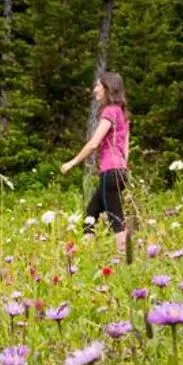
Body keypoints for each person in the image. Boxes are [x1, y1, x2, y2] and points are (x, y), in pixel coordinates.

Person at [60, 71, 131, 258]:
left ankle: (123, 261)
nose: (95, 90)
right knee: (91, 214)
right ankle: (82, 257)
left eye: (98, 86)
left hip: (110, 171)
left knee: (117, 219)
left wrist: (72, 162)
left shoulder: (110, 111)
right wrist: (122, 170)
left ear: (107, 88)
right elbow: (126, 147)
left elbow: (94, 143)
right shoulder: (123, 114)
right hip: (120, 170)